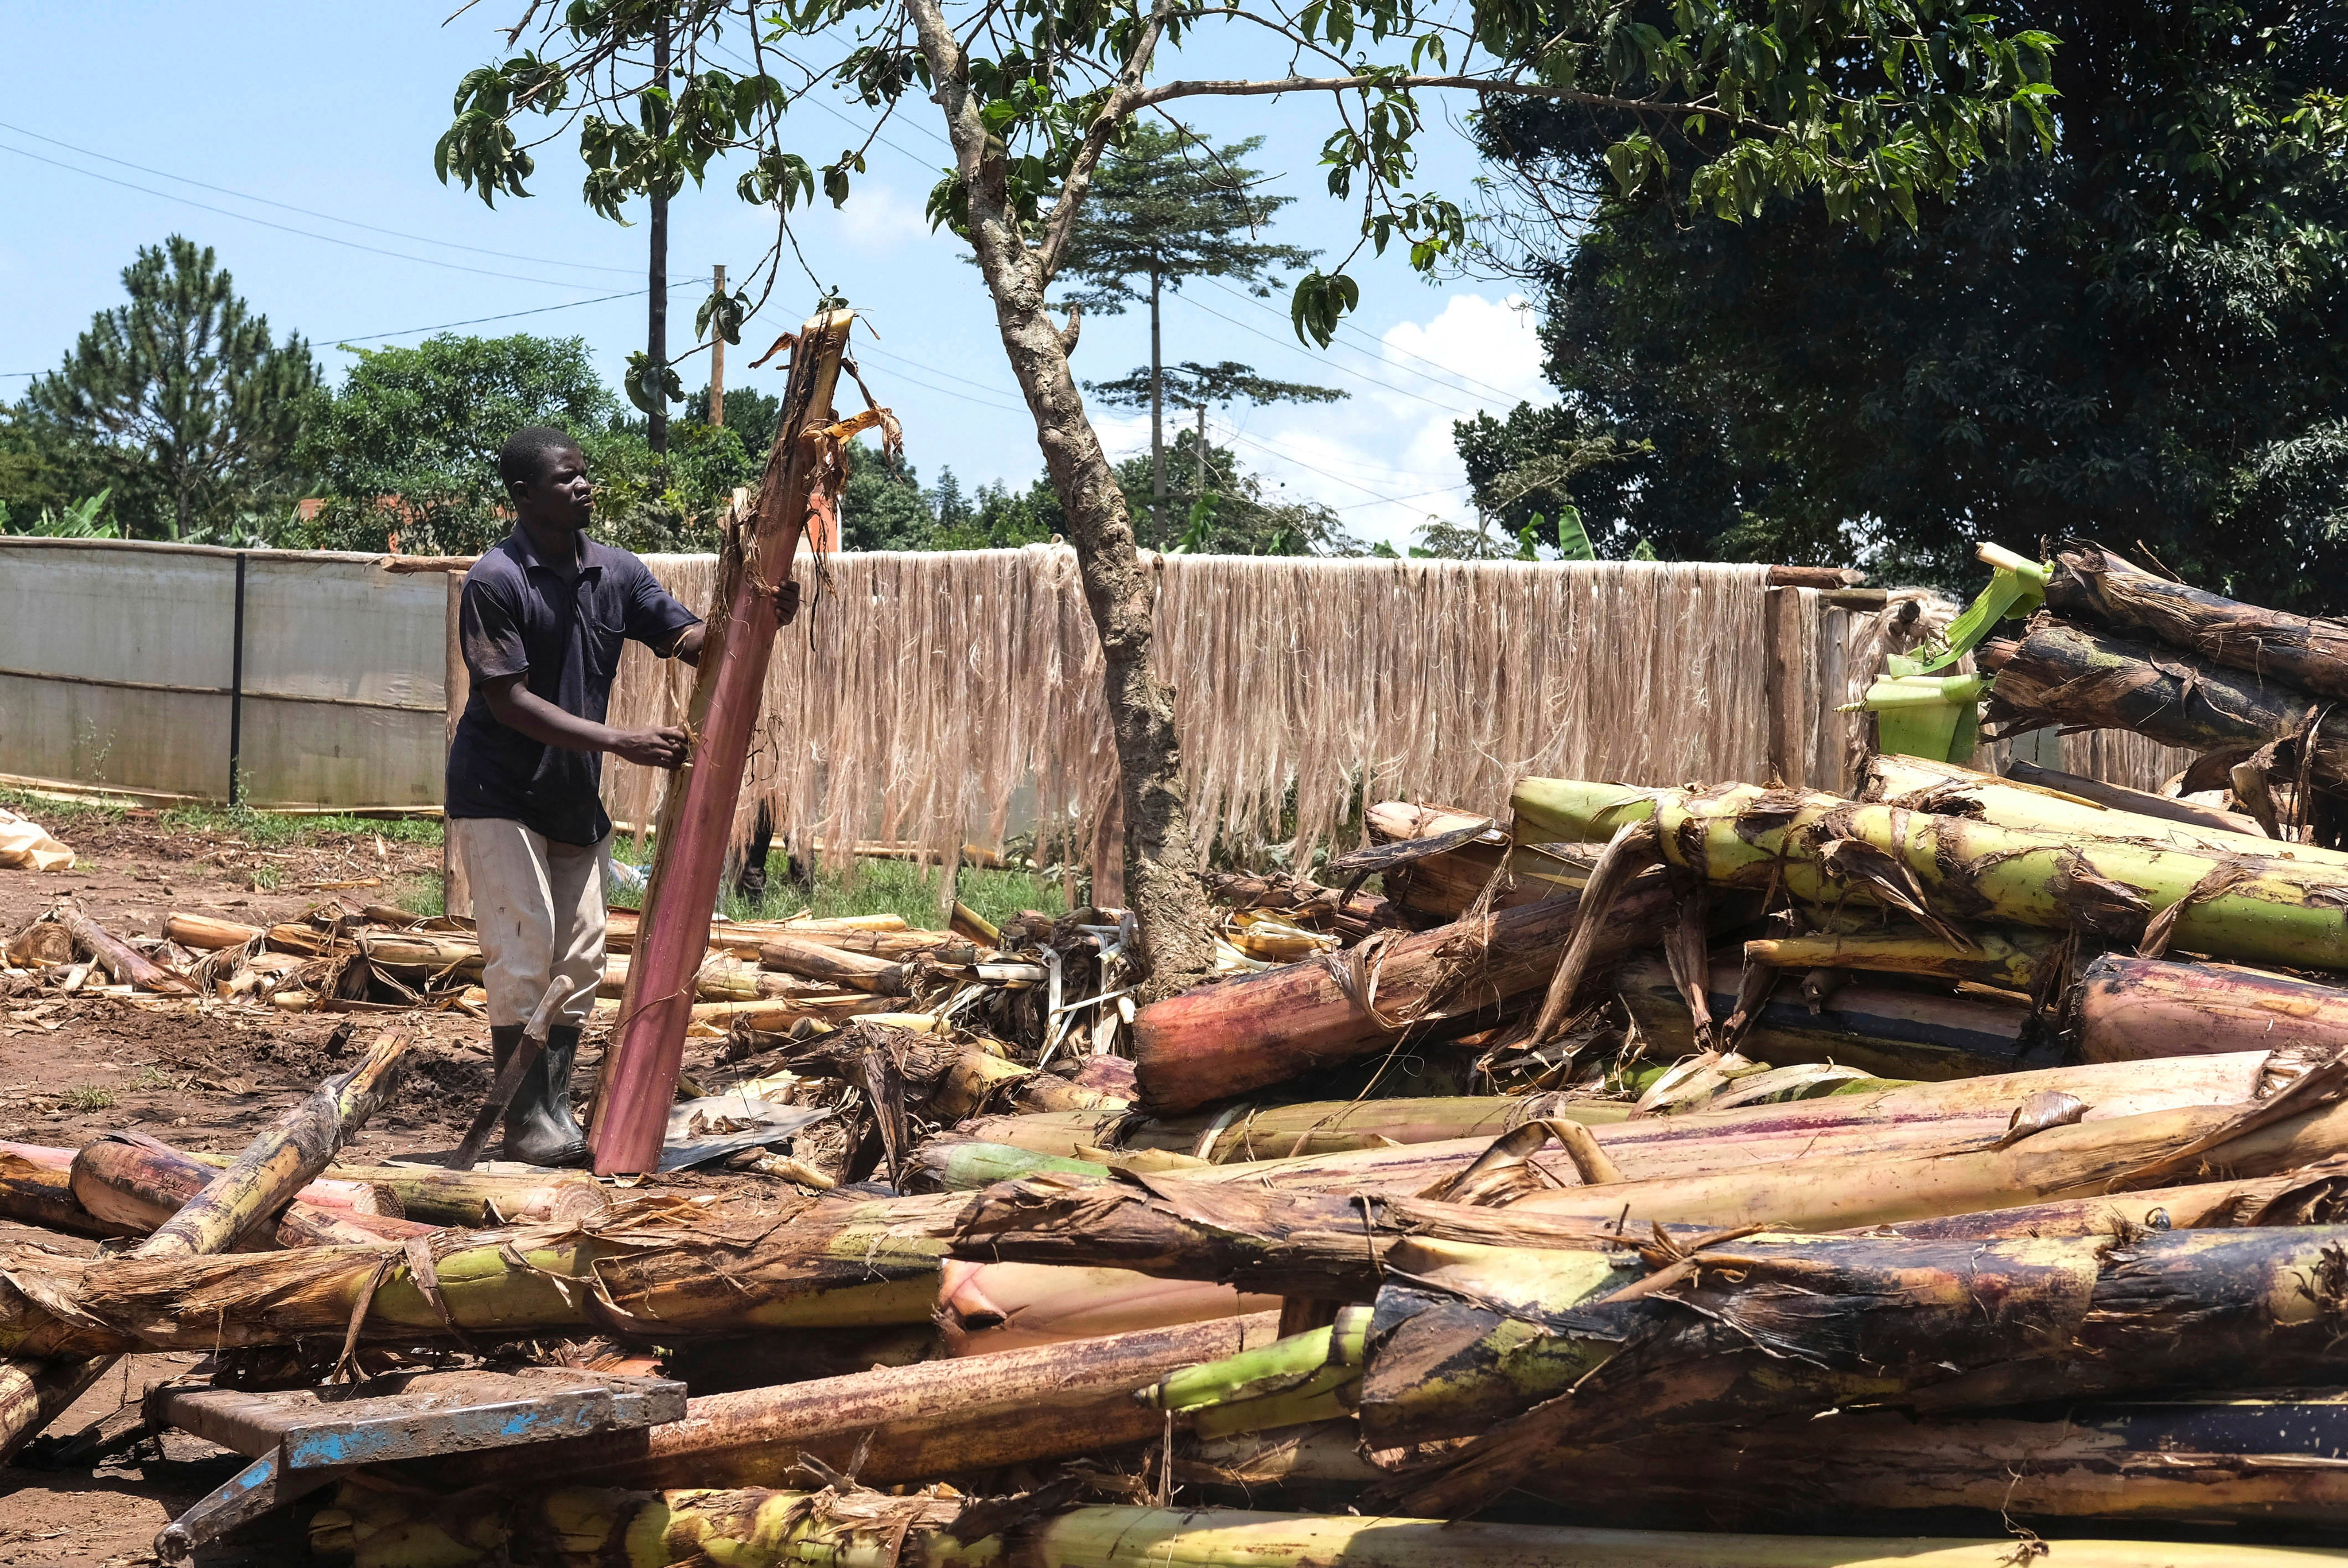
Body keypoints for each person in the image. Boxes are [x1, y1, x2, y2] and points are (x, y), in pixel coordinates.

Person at [446, 426, 797, 1165]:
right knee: (523, 953)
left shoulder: (617, 573)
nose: (584, 487)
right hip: (499, 792)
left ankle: (555, 1111)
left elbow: (692, 638)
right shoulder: (496, 581)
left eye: (585, 474)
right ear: (523, 495)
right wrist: (620, 742)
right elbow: (507, 701)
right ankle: (524, 1122)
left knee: (579, 961)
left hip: (572, 794)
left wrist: (761, 609)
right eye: (566, 478)